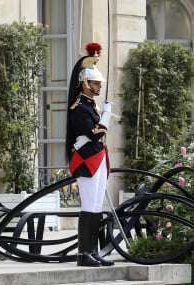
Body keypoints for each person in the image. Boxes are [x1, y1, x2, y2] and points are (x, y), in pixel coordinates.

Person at [66, 43, 115, 267]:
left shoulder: (91, 106)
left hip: (98, 159)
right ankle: (83, 254)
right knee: (88, 206)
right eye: (96, 83)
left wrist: (102, 114)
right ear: (85, 84)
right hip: (87, 161)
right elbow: (95, 134)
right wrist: (105, 116)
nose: (99, 86)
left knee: (96, 206)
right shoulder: (78, 107)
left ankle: (92, 251)